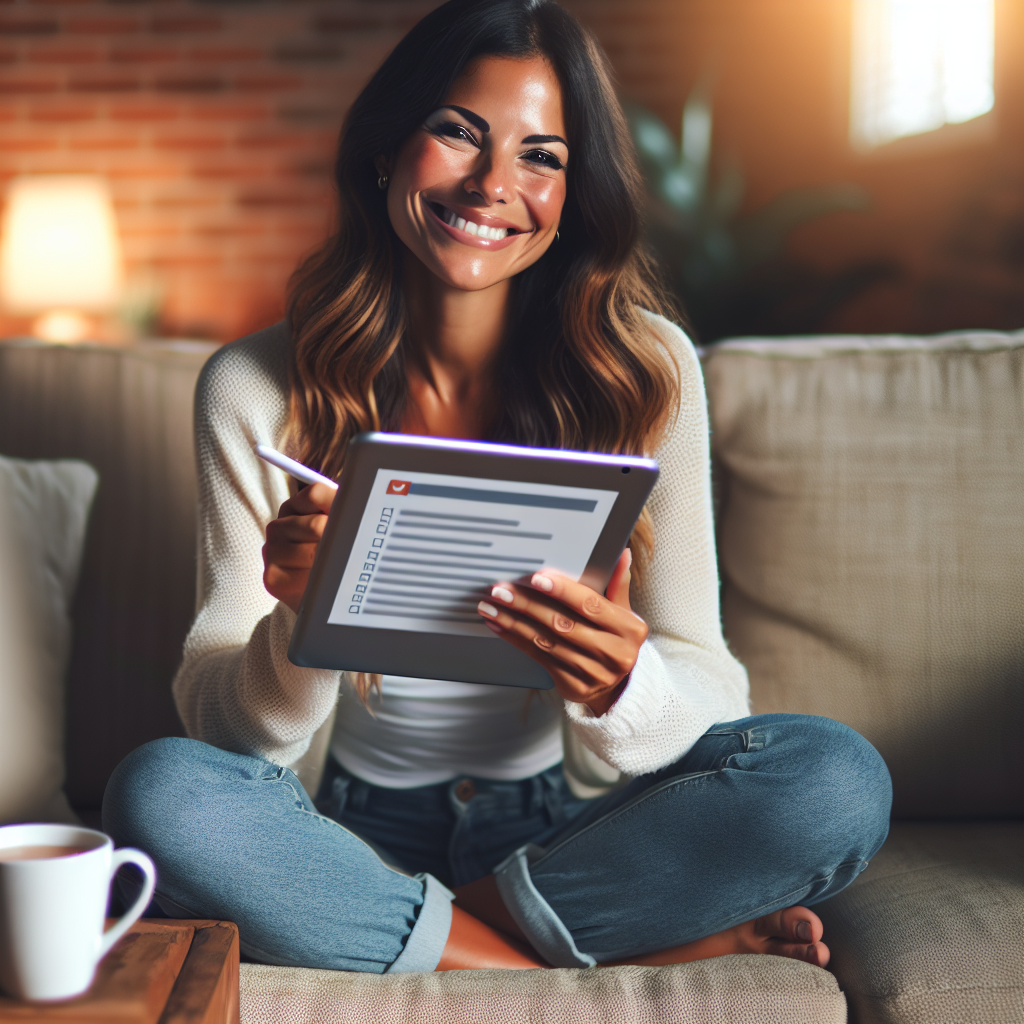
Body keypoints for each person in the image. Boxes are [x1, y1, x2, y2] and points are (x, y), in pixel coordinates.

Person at [103, 0, 891, 974]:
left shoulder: (647, 372)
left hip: (569, 833)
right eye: (457, 131)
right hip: (339, 832)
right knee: (159, 792)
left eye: (541, 156)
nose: (492, 184)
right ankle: (570, 960)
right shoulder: (255, 387)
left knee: (834, 778)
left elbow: (712, 684)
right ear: (388, 147)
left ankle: (432, 939)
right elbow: (222, 727)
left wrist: (624, 685)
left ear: (573, 193)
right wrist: (301, 626)